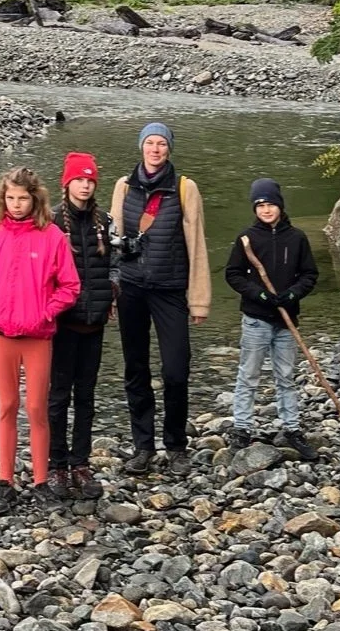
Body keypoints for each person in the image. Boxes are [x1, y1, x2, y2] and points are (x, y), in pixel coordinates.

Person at [0, 166, 81, 510]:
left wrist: (46, 312)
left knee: (37, 408)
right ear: (2, 199)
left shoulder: (51, 236)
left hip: (37, 335)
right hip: (3, 333)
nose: (16, 205)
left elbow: (70, 286)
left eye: (22, 198)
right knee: (7, 406)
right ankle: (4, 480)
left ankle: (40, 481)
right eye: (10, 198)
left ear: (34, 199)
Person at [110, 122, 210, 476]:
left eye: (161, 144)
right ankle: (143, 445)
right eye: (149, 143)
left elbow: (196, 245)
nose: (155, 149)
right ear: (141, 147)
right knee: (135, 369)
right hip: (132, 289)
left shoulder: (185, 188)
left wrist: (199, 300)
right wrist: (110, 290)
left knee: (176, 370)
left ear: (169, 149)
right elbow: (114, 242)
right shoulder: (123, 186)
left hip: (170, 289)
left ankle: (176, 444)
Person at [224, 177, 320, 462]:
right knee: (249, 374)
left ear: (280, 205)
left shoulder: (297, 238)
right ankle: (241, 428)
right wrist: (259, 295)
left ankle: (292, 428)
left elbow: (309, 275)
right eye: (260, 205)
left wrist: (293, 294)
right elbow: (233, 274)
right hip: (256, 319)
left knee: (286, 377)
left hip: (287, 320)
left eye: (270, 204)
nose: (266, 210)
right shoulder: (246, 238)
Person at [47, 151, 116, 501]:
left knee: (86, 397)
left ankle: (81, 462)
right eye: (79, 179)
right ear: (67, 182)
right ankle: (56, 464)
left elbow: (114, 265)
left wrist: (111, 298)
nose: (85, 185)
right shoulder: (52, 222)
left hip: (95, 321)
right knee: (58, 396)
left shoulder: (105, 220)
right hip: (62, 323)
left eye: (90, 180)